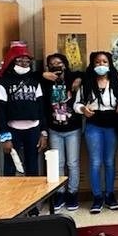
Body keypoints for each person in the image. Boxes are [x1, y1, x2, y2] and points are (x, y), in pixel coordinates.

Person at [74, 51, 118, 214]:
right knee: (95, 162)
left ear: (109, 64)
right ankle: (97, 197)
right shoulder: (86, 83)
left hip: (112, 125)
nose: (101, 65)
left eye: (104, 62)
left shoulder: (117, 82)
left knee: (110, 161)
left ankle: (110, 195)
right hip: (93, 125)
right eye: (97, 62)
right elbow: (76, 104)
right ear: (92, 64)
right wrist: (83, 109)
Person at [0, 42, 47, 177]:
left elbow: (41, 108)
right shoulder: (2, 82)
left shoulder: (35, 81)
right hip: (12, 130)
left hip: (33, 129)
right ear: (12, 61)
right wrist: (5, 137)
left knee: (33, 167)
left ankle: (33, 191)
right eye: (20, 60)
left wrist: (43, 133)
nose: (24, 64)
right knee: (10, 167)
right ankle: (10, 191)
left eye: (27, 61)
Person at [41, 53, 83, 211]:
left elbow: (86, 74)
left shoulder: (72, 77)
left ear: (65, 64)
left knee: (72, 163)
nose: (56, 65)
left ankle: (72, 193)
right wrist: (43, 75)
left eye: (59, 62)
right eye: (52, 63)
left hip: (73, 129)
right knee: (57, 163)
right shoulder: (46, 81)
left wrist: (79, 79)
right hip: (54, 129)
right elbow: (31, 76)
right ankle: (59, 193)